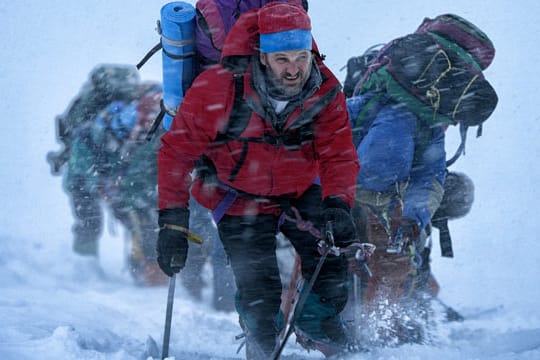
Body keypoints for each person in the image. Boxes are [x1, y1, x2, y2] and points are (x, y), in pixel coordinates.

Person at [155, 2, 360, 358]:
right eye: (282, 59)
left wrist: (339, 204)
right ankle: (261, 344)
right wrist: (172, 222)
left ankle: (318, 325)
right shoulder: (217, 88)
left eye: (301, 57)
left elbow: (338, 154)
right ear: (263, 57)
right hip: (235, 196)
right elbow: (176, 153)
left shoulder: (325, 90)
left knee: (331, 257)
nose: (294, 69)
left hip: (299, 190)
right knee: (258, 287)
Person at [47, 64, 167, 285]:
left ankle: (141, 269)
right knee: (92, 222)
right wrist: (101, 184)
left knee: (135, 217)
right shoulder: (96, 131)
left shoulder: (130, 128)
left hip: (106, 178)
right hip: (86, 178)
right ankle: (82, 273)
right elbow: (82, 166)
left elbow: (132, 166)